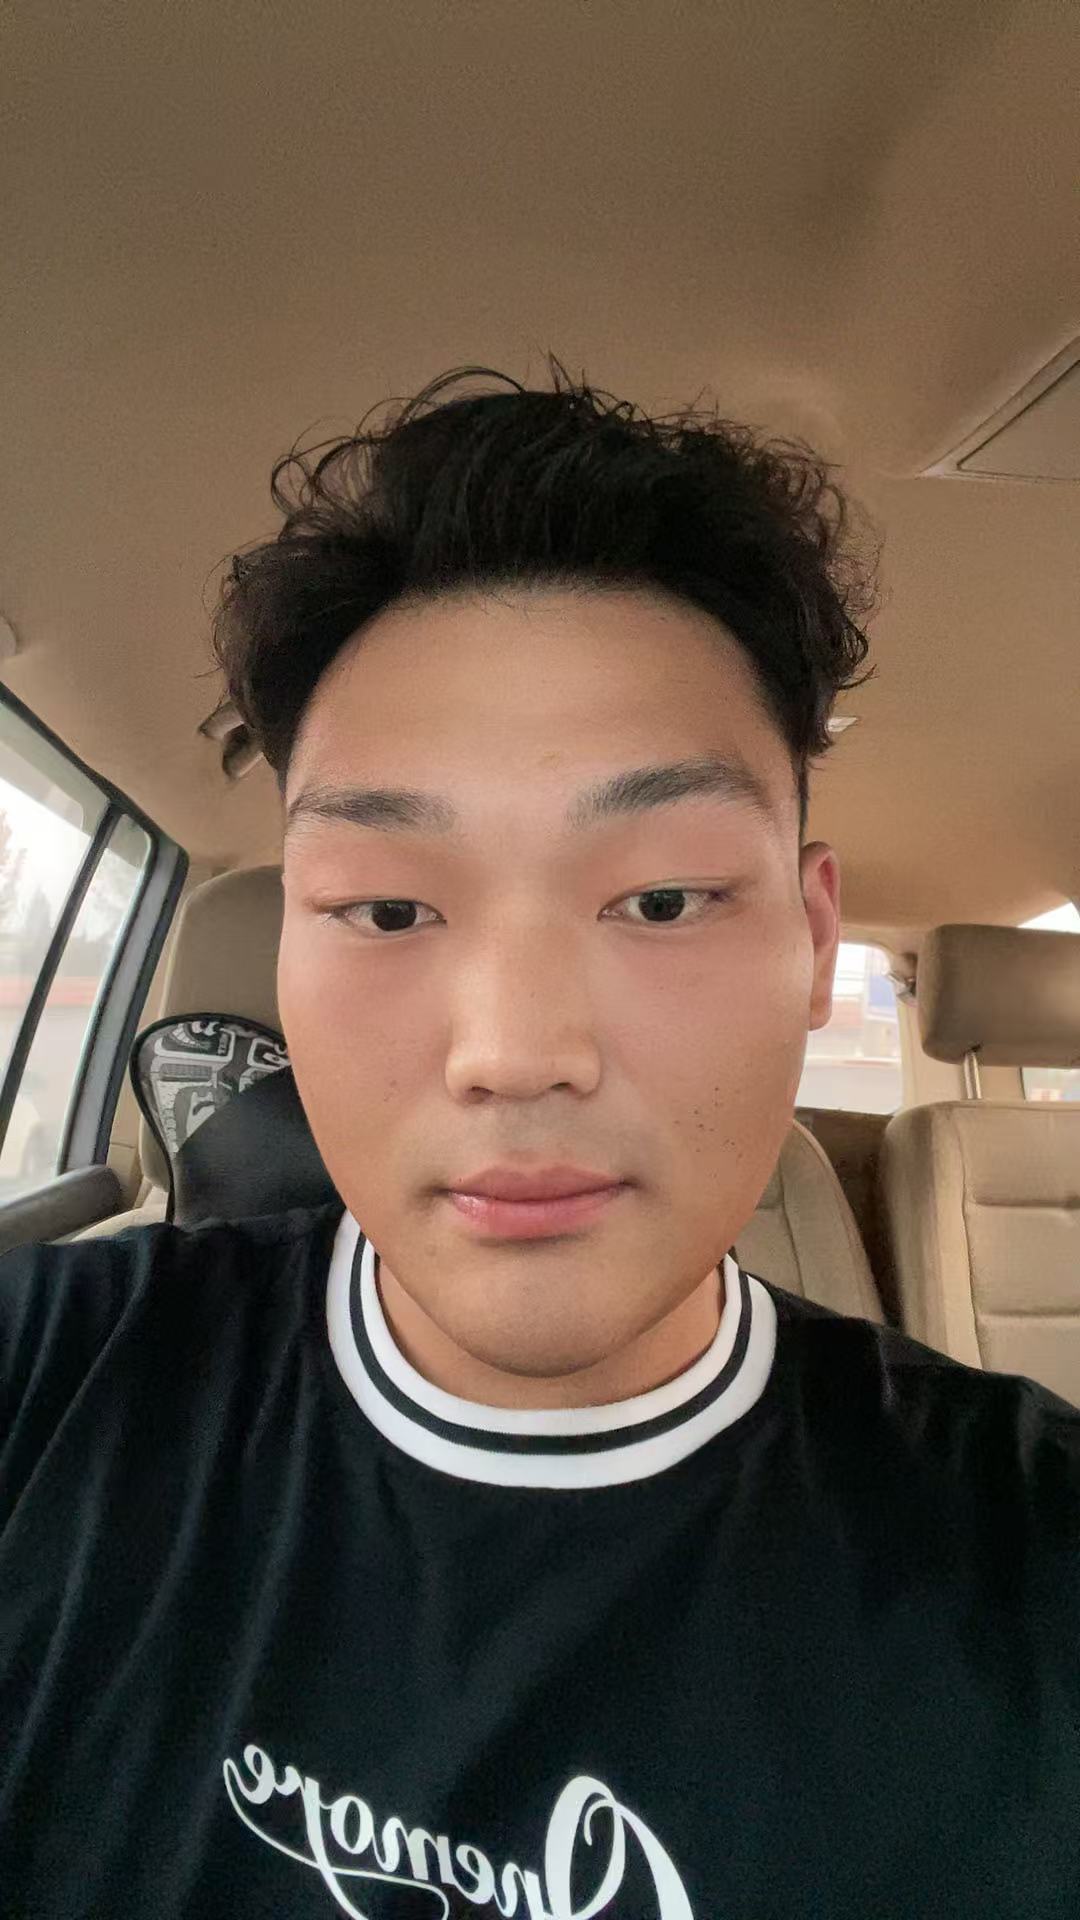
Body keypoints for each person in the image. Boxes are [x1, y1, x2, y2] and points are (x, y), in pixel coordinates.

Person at [1, 361, 1076, 1918]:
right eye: (388, 909)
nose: (514, 1056)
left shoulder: (1031, 1555)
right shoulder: (41, 1388)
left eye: (662, 898)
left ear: (809, 937)